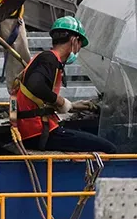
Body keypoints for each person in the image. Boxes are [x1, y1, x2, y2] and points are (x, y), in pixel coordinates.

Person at [11, 16, 116, 153]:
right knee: (109, 149)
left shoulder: (45, 59)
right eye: (79, 44)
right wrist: (60, 102)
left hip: (34, 130)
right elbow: (35, 85)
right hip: (39, 132)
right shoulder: (49, 59)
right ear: (73, 41)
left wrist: (71, 105)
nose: (79, 49)